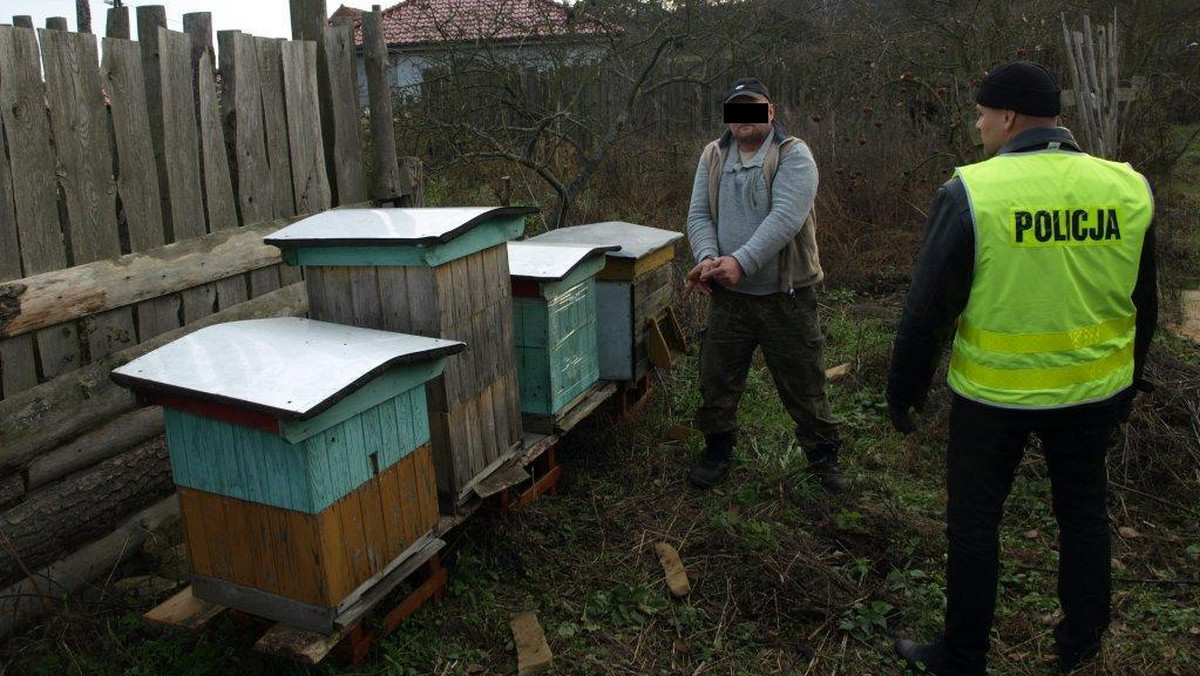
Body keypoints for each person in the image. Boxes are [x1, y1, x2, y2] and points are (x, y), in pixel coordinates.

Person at [886, 61, 1158, 675]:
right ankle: (1083, 646)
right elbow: (1147, 305)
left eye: (982, 114)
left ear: (1008, 117)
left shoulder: (973, 192)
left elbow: (927, 309)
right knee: (1085, 515)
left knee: (975, 526)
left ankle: (962, 658)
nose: (977, 124)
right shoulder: (1127, 187)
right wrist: (1127, 389)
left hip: (993, 398)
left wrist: (904, 390)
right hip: (1093, 391)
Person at [684, 77, 847, 493]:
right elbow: (699, 215)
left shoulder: (794, 156)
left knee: (805, 384)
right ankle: (717, 452)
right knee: (716, 381)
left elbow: (785, 219)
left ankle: (824, 457)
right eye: (735, 109)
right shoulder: (714, 155)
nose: (743, 117)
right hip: (729, 300)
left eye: (752, 107)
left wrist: (741, 262)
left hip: (785, 297)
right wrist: (706, 259)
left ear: (770, 112)